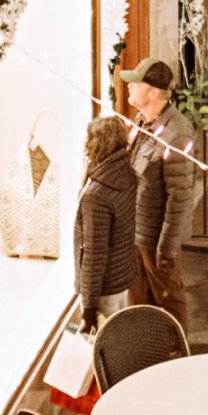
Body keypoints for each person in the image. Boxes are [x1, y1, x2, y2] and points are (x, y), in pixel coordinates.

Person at [120, 58, 195, 330]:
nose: (128, 88)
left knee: (168, 304)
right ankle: (147, 357)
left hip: (155, 239)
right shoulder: (143, 122)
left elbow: (181, 197)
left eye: (135, 83)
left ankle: (178, 362)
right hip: (137, 233)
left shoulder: (176, 134)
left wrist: (166, 248)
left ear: (153, 92)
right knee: (141, 304)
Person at [74, 116, 137, 334]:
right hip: (122, 279)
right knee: (121, 340)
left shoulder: (96, 195)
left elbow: (94, 253)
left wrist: (89, 307)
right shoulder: (126, 174)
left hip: (103, 290)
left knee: (103, 349)